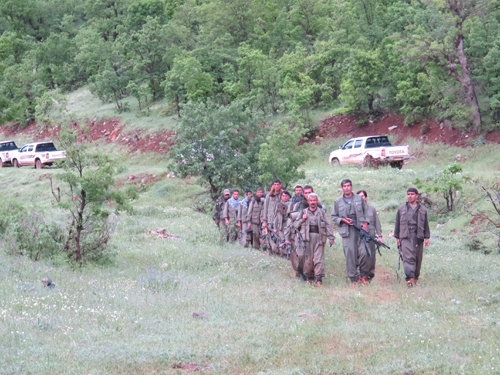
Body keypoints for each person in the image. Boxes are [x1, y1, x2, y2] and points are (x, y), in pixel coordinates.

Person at [287, 193, 335, 286]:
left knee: (318, 259)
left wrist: (331, 237)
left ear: (317, 201)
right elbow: (295, 225)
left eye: (314, 200)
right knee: (308, 259)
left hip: (319, 238)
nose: (313, 202)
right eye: (311, 200)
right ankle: (309, 277)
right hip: (306, 239)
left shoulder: (322, 212)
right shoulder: (303, 212)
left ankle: (319, 279)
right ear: (308, 202)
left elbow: (328, 225)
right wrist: (302, 219)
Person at [331, 179, 370, 285]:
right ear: (342, 188)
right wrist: (343, 220)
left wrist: (365, 223)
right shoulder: (338, 202)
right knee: (350, 254)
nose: (347, 188)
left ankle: (363, 275)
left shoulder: (359, 199)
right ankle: (354, 279)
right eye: (344, 186)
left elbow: (366, 211)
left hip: (359, 229)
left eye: (348, 185)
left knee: (364, 252)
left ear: (351, 187)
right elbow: (334, 217)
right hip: (347, 230)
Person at [394, 187, 430, 287]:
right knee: (408, 257)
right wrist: (397, 237)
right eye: (408, 194)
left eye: (412, 194)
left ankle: (415, 276)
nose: (410, 196)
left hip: (418, 236)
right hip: (405, 235)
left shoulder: (422, 209)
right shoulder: (402, 208)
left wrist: (427, 237)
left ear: (416, 196)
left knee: (417, 258)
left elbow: (426, 224)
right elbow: (397, 223)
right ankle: (410, 278)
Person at [357, 190, 384, 281]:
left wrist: (380, 236)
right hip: (361, 238)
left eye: (363, 196)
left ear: (366, 198)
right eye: (359, 196)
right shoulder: (355, 210)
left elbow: (377, 223)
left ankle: (369, 276)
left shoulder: (371, 209)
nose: (361, 198)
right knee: (363, 255)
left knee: (372, 257)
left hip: (371, 237)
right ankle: (362, 275)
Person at [262, 179, 284, 255]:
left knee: (279, 235)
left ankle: (280, 252)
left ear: (280, 185)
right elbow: (265, 208)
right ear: (273, 185)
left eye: (278, 184)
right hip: (270, 219)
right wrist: (264, 220)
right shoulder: (269, 195)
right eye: (275, 184)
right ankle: (270, 251)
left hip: (279, 220)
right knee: (269, 236)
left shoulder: (283, 195)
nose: (276, 186)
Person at [273, 190, 291, 257]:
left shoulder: (291, 204)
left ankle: (289, 255)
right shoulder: (278, 205)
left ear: (289, 197)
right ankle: (283, 254)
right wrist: (275, 227)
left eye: (286, 196)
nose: (285, 197)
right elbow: (275, 217)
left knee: (288, 240)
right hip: (280, 225)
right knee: (281, 240)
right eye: (283, 196)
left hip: (288, 225)